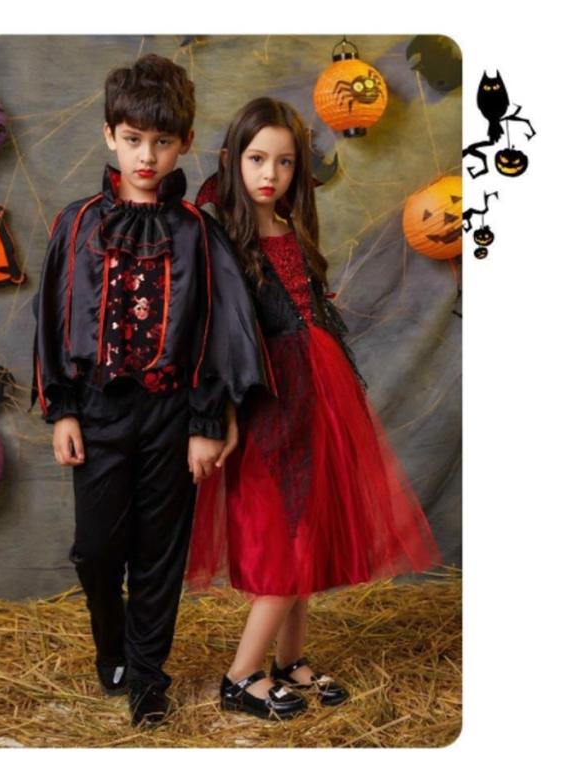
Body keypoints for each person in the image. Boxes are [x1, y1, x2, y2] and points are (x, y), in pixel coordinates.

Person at [186, 97, 442, 721]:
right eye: (256, 159)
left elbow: (312, 311)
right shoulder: (219, 237)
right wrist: (220, 417)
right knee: (285, 537)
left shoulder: (291, 227)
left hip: (317, 396)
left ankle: (289, 659)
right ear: (232, 158)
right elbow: (214, 337)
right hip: (267, 401)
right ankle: (240, 677)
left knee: (310, 528)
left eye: (284, 162)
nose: (269, 174)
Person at [31, 56, 266, 727]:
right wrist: (62, 410)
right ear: (110, 134)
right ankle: (112, 648)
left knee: (159, 552)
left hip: (172, 413)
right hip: (98, 410)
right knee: (98, 549)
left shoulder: (197, 231)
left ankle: (147, 675)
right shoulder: (77, 224)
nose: (146, 156)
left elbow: (218, 330)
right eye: (133, 139)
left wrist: (205, 421)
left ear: (184, 143)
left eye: (162, 142)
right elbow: (50, 319)